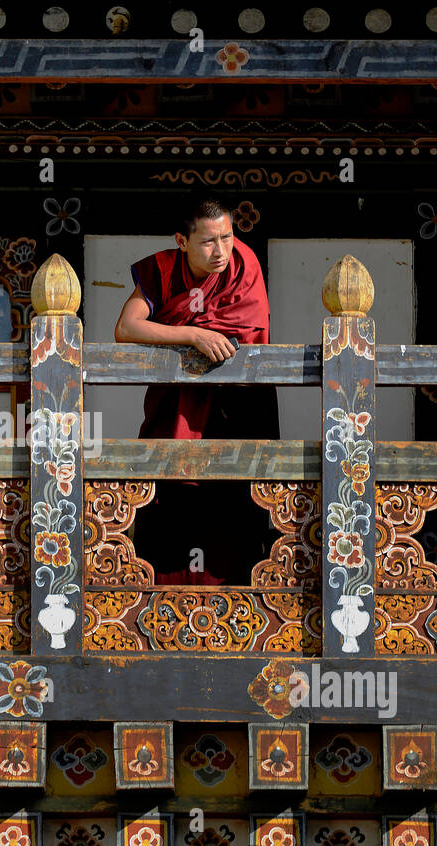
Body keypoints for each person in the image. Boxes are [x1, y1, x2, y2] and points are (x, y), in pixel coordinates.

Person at [114, 197, 279, 585]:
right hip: (177, 410)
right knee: (171, 502)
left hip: (235, 408)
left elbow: (246, 332)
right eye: (208, 242)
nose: (221, 251)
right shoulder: (163, 270)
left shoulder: (244, 265)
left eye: (227, 237)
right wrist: (192, 334)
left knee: (232, 506)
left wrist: (203, 336)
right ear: (181, 241)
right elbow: (126, 328)